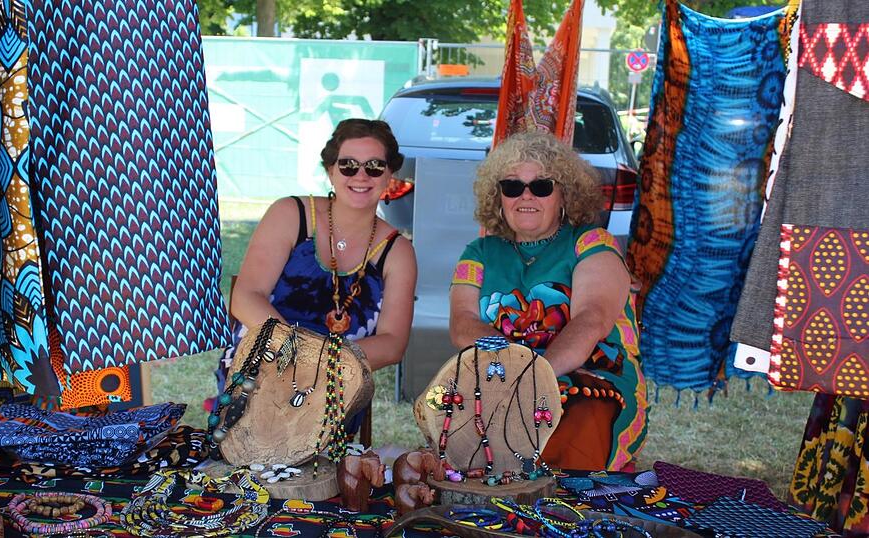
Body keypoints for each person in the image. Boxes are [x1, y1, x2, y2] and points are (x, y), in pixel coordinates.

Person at [449, 131, 647, 471]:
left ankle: (562, 512)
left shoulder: (590, 243)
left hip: (591, 377)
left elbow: (592, 320)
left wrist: (533, 377)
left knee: (576, 419)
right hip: (502, 376)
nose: (526, 196)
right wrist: (511, 368)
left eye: (541, 186)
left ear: (563, 195)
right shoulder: (479, 253)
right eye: (512, 186)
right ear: (498, 197)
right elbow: (463, 324)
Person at [216, 118, 417, 397]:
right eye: (348, 165)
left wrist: (321, 365)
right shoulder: (291, 214)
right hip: (259, 369)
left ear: (389, 174)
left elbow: (393, 344)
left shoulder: (398, 252)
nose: (360, 176)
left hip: (334, 386)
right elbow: (246, 296)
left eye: (374, 166)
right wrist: (296, 357)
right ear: (330, 170)